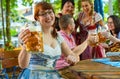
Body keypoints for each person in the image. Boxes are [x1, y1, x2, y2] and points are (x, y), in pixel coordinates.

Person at [18, 2, 86, 79]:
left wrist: (72, 59)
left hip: (52, 75)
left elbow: (72, 55)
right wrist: (25, 46)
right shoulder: (31, 34)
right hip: (33, 75)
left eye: (50, 12)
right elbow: (23, 65)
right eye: (43, 14)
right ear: (37, 17)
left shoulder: (57, 36)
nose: (48, 16)